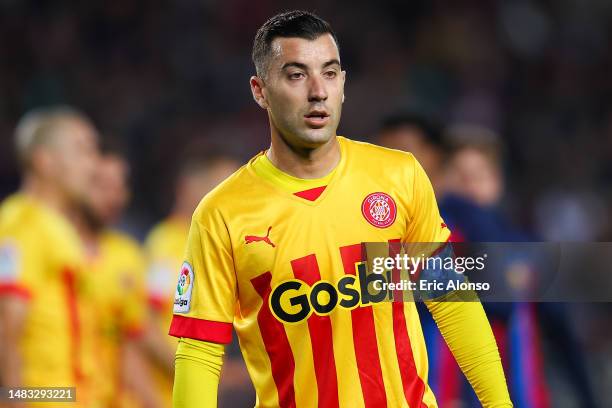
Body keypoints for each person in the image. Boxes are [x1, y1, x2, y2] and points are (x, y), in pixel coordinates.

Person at [170, 11, 512, 408]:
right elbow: (199, 352)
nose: (318, 91)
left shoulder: (398, 175)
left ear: (343, 84)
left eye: (329, 73)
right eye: (296, 75)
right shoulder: (222, 214)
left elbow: (452, 303)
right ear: (260, 90)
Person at [0, 106, 100, 407]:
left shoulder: (58, 226)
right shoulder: (21, 224)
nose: (93, 165)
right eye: (83, 150)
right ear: (45, 161)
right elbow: (6, 330)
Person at [144, 151, 244, 407]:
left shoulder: (217, 245)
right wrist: (200, 375)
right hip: (171, 394)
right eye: (221, 186)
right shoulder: (166, 244)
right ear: (188, 187)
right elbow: (147, 325)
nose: (229, 199)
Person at [76, 149, 161, 408]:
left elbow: (129, 343)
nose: (114, 196)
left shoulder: (128, 255)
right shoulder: (51, 246)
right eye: (102, 184)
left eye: (120, 186)